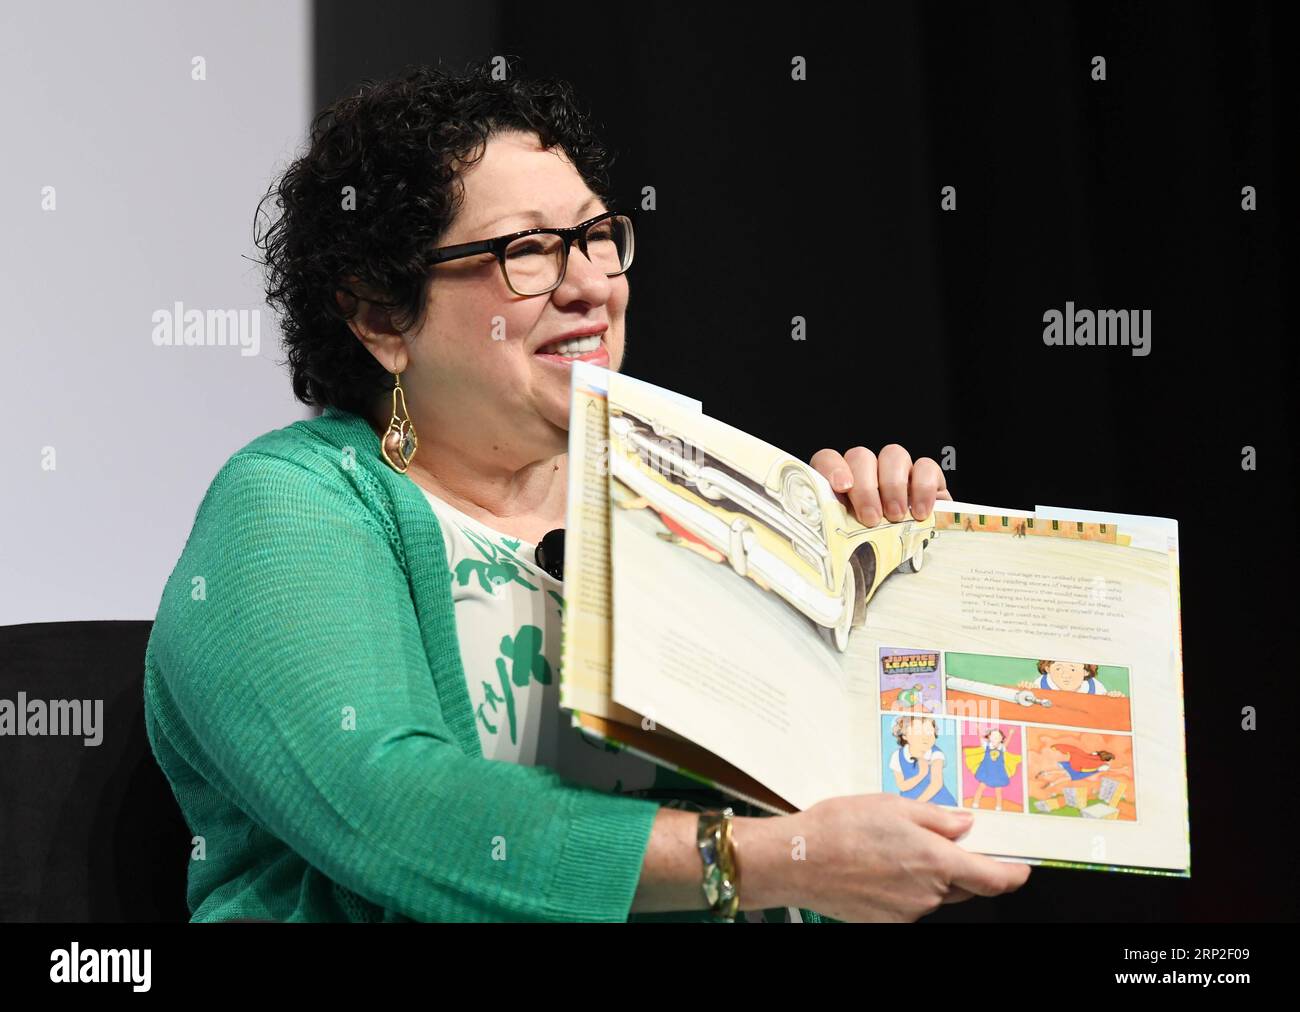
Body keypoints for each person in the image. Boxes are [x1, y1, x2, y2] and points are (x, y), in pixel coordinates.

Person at [142, 61, 1030, 923]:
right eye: (526, 251)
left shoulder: (687, 492)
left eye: (598, 236)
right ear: (380, 314)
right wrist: (748, 865)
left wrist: (872, 586)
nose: (591, 285)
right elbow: (394, 809)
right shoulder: (294, 505)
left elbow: (844, 852)